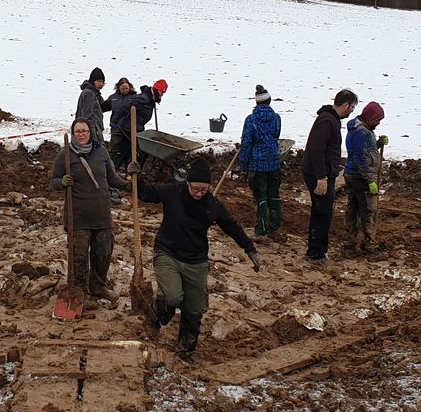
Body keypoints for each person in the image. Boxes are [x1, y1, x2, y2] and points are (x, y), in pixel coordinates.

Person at [134, 157, 260, 358]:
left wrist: (250, 249)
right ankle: (156, 314)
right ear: (187, 183)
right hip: (168, 253)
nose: (199, 193)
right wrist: (137, 177)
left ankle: (186, 348)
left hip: (196, 260)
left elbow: (231, 226)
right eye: (196, 189)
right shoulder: (172, 193)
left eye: (204, 189)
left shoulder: (212, 205)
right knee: (173, 296)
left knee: (194, 309)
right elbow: (145, 193)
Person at [51, 118, 125, 299]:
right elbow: (53, 181)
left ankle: (98, 287)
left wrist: (130, 182)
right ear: (73, 133)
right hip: (78, 216)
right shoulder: (66, 155)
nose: (81, 134)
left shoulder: (101, 152)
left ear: (90, 132)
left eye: (84, 131)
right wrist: (62, 182)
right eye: (78, 131)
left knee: (104, 253)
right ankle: (80, 291)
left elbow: (112, 178)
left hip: (101, 214)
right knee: (79, 256)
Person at [301, 89, 356, 261]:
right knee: (322, 212)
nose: (352, 111)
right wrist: (321, 177)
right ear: (345, 105)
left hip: (323, 172)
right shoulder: (327, 121)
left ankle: (317, 249)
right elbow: (317, 150)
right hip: (318, 174)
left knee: (322, 210)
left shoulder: (331, 119)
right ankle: (316, 253)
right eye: (352, 107)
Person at [237, 85, 283, 237]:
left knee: (260, 197)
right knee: (274, 194)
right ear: (269, 101)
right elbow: (276, 135)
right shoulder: (277, 118)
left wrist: (243, 165)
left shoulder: (251, 120)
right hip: (274, 161)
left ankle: (261, 230)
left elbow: (247, 143)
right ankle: (275, 225)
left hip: (257, 164)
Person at [343, 101, 386, 253]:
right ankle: (370, 246)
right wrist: (369, 179)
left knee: (353, 208)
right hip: (359, 177)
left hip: (353, 175)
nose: (378, 124)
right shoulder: (360, 132)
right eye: (377, 120)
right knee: (368, 211)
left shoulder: (360, 129)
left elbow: (365, 151)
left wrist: (377, 144)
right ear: (371, 117)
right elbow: (359, 157)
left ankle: (350, 243)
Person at [107, 77, 162, 173]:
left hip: (135, 128)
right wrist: (115, 121)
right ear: (157, 90)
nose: (162, 95)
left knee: (125, 151)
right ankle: (130, 173)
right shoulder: (144, 98)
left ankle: (115, 171)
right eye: (162, 92)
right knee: (140, 152)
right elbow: (126, 107)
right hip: (128, 128)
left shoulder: (150, 98)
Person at [75, 67, 112, 145]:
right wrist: (91, 134)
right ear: (93, 81)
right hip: (91, 130)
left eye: (102, 82)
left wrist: (112, 103)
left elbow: (99, 108)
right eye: (99, 81)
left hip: (92, 129)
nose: (101, 84)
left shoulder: (94, 93)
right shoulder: (89, 93)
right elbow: (86, 116)